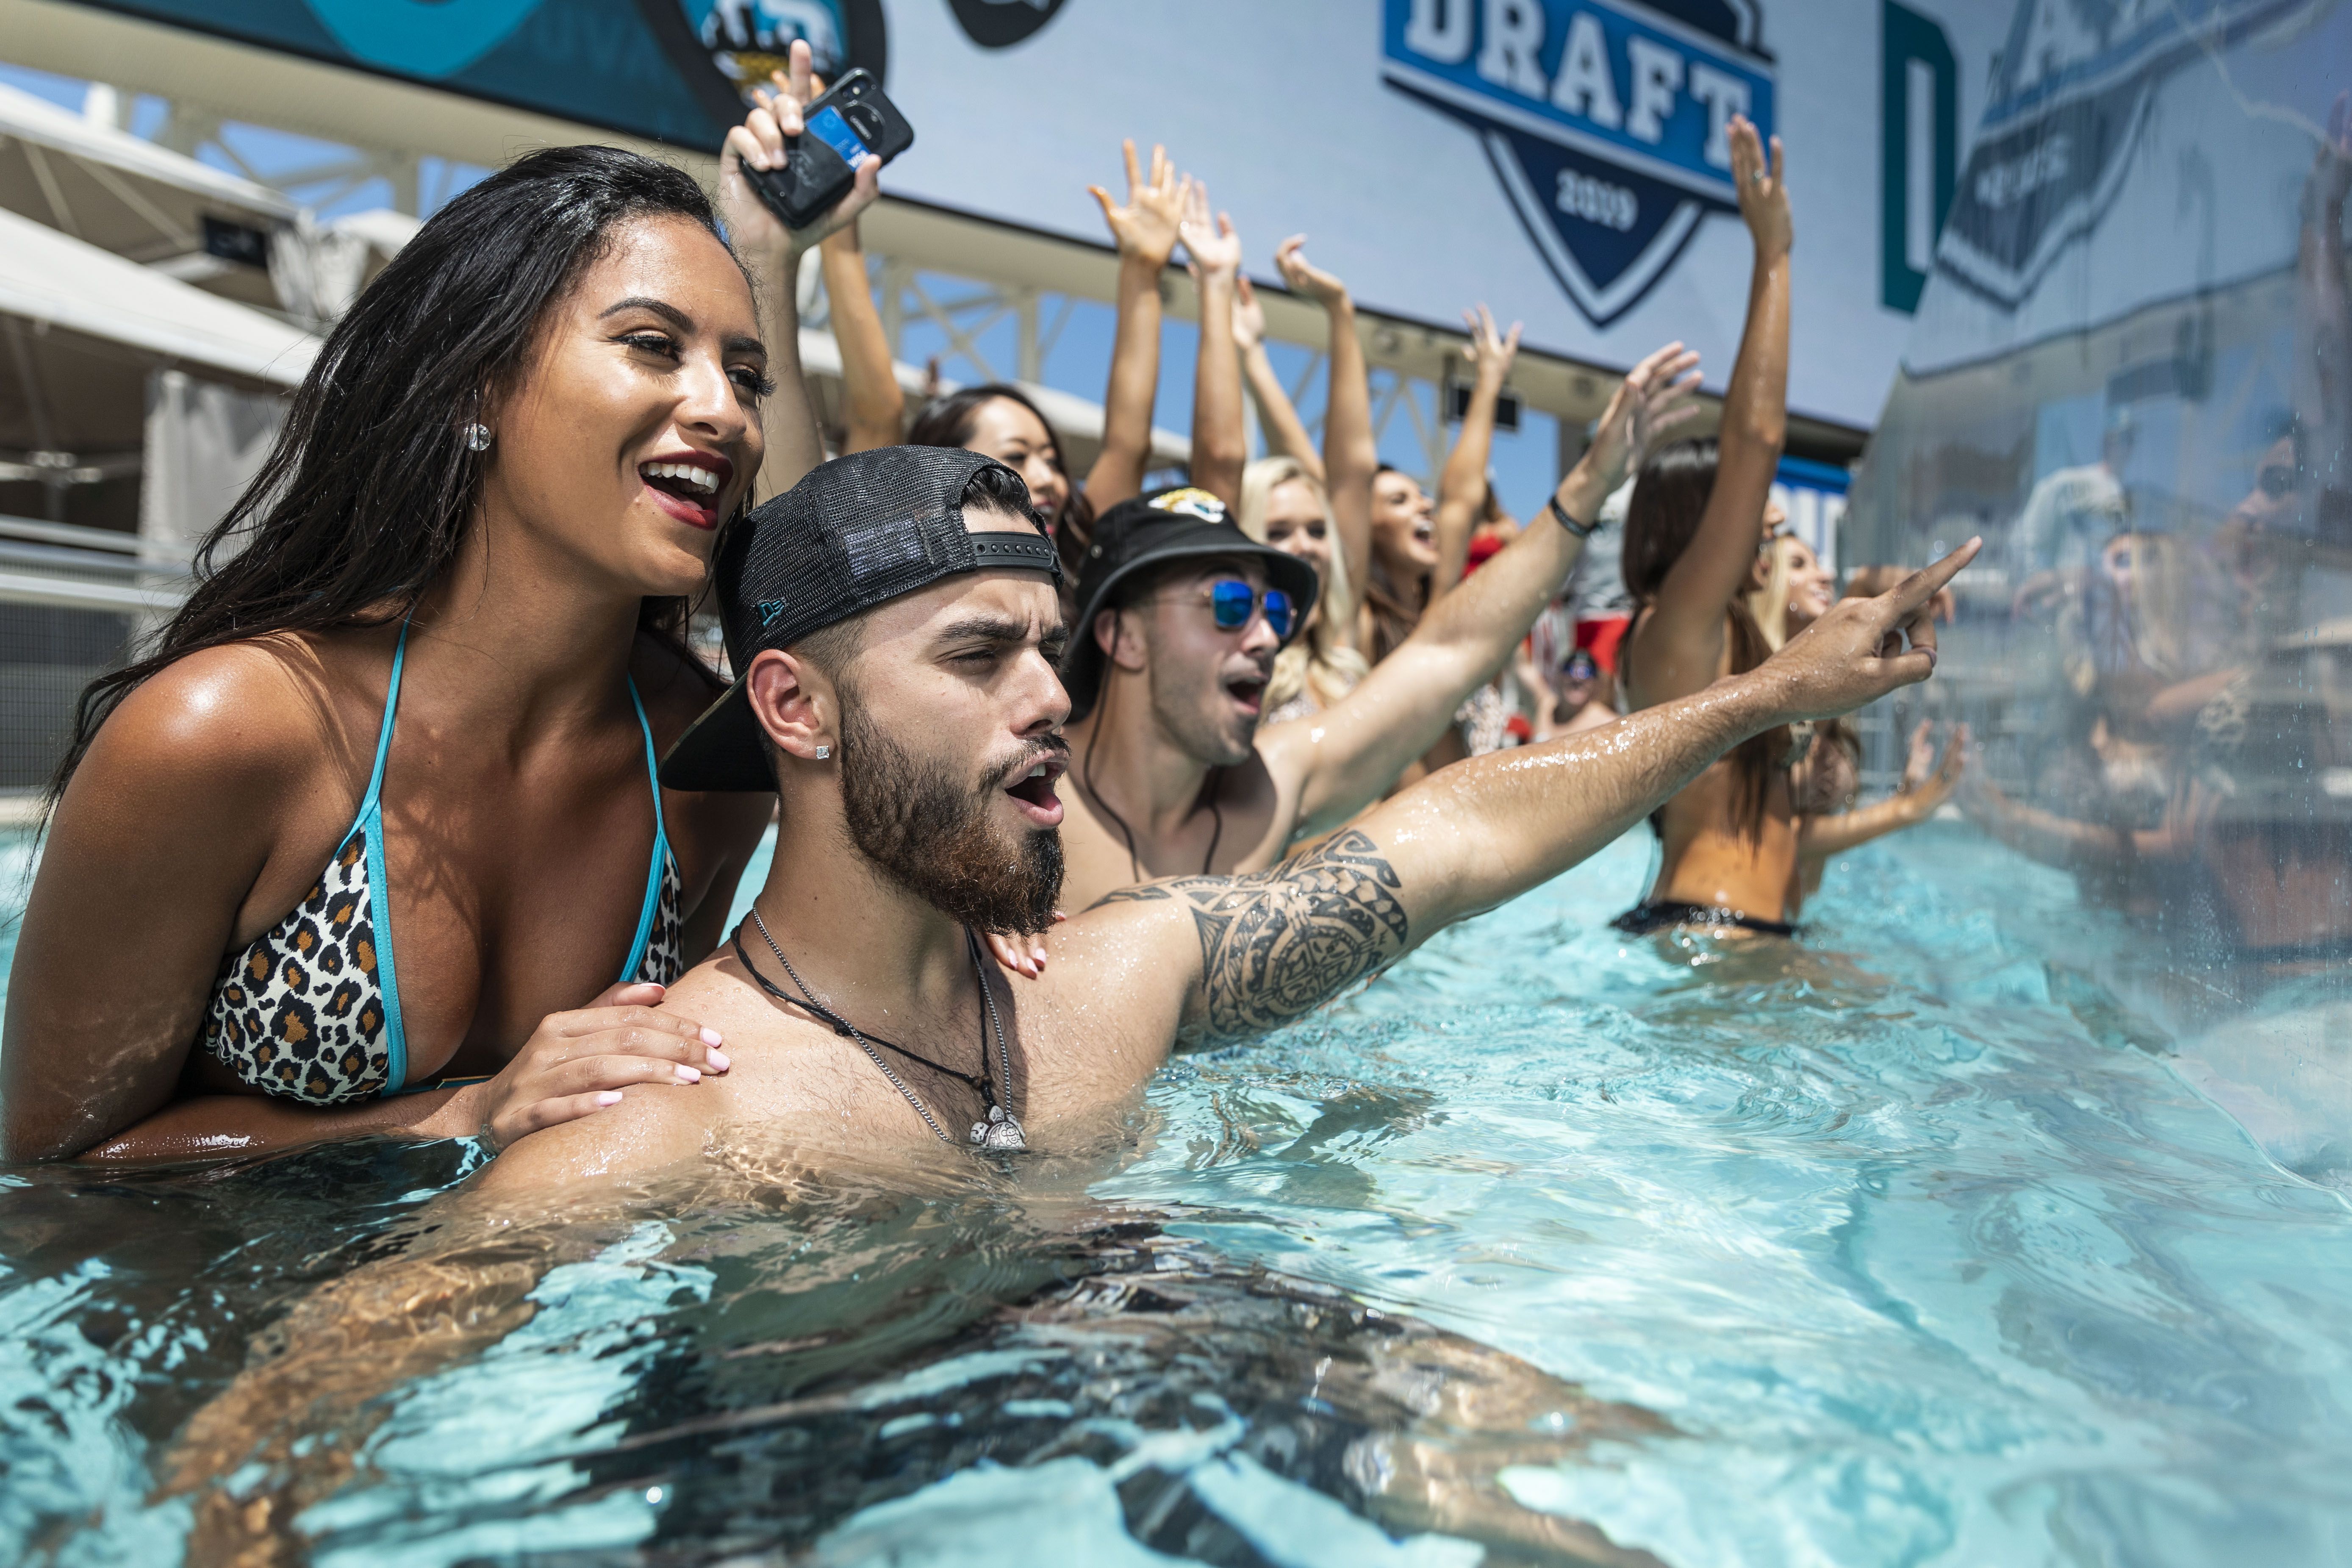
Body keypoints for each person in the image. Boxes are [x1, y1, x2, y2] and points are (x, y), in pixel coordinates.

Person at [163, 450, 1972, 1550]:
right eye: (976, 653)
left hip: (1126, 1335)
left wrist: (1771, 691)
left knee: (1590, 1468)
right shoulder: (677, 1109)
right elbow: (276, 1425)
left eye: (1049, 640)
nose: (1047, 693)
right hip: (785, 1460)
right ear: (794, 708)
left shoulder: (1118, 979)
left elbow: (1454, 834)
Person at [0, 125, 885, 1162]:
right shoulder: (230, 733)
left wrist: (775, 258)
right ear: (478, 382)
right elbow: (47, 1167)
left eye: (746, 377)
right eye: (653, 345)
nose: (724, 411)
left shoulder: (700, 770)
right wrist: (462, 1115)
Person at [1041, 337, 1704, 925]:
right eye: (1229, 604)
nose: (1268, 638)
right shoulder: (1019, 807)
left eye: (1274, 613)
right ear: (1121, 636)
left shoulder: (1265, 794)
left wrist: (1589, 485)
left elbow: (1450, 652)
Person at [1614, 115, 1807, 938]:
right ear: (1700, 526)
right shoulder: (1676, 628)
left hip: (1732, 937)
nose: (1769, 519)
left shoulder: (1722, 633)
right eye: (1749, 522)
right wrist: (1773, 256)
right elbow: (1756, 440)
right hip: (1712, 937)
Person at [1228, 234, 1380, 725]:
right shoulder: (1232, 657)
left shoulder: (1340, 644)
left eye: (1318, 530)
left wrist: (1339, 312)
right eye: (1277, 532)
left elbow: (1352, 471)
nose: (1305, 545)